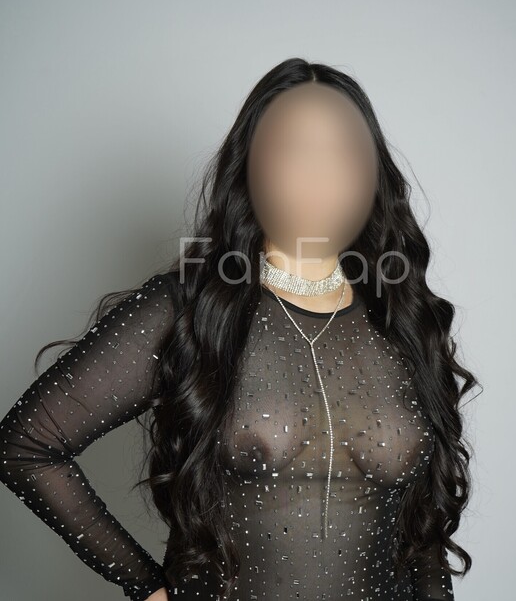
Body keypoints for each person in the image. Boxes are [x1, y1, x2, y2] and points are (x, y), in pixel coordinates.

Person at [0, 57, 480, 600]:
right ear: (249, 167)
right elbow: (28, 444)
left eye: (344, 152)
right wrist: (146, 588)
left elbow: (423, 539)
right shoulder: (188, 308)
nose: (320, 173)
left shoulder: (404, 319)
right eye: (293, 149)